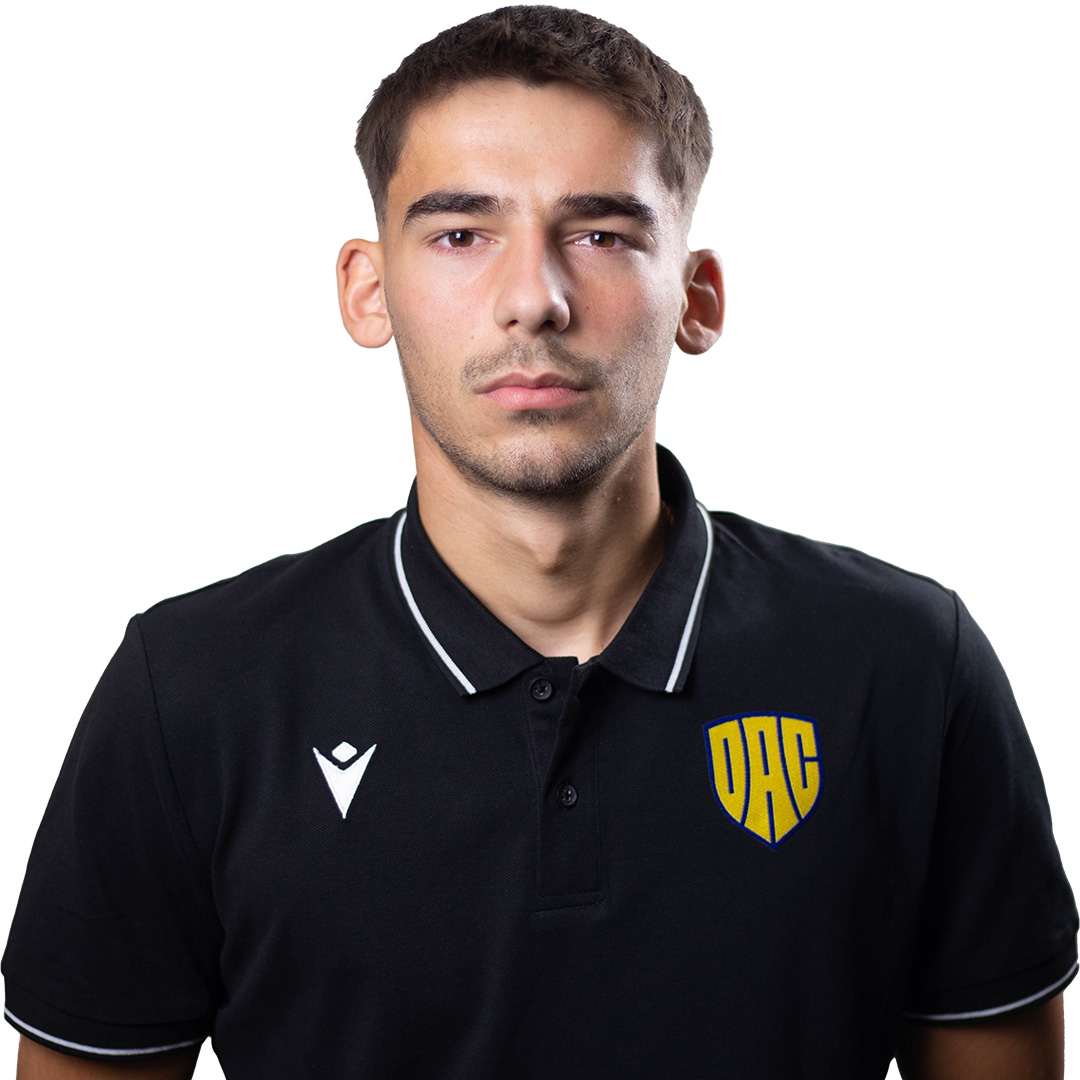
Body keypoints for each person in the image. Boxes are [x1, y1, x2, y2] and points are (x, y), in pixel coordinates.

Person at [3, 5, 1076, 1078]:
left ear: (697, 298)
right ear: (369, 291)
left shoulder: (905, 664)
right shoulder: (191, 691)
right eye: (461, 234)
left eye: (601, 234)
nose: (534, 299)